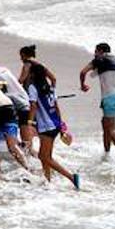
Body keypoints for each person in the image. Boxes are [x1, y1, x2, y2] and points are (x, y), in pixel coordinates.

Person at [27, 60, 80, 189]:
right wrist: (61, 124)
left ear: (33, 74)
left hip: (46, 126)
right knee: (46, 156)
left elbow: (33, 106)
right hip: (55, 124)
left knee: (44, 156)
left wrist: (29, 123)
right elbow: (56, 106)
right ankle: (47, 180)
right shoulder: (50, 87)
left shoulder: (33, 87)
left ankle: (71, 177)